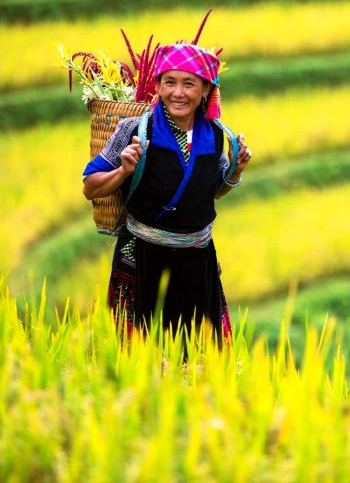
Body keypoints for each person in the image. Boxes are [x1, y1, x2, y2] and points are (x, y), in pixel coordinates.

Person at [81, 39, 252, 345]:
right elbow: (89, 186)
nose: (178, 92)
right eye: (169, 82)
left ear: (205, 91)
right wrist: (123, 170)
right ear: (158, 86)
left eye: (189, 84)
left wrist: (235, 171)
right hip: (143, 257)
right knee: (138, 356)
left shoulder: (214, 135)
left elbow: (212, 192)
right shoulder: (134, 131)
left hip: (197, 261)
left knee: (198, 357)